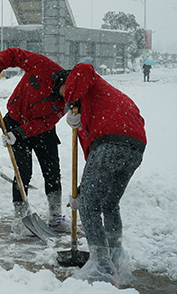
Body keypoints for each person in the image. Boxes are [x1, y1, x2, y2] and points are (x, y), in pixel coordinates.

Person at [61, 62, 145, 287]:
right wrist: (82, 189)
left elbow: (82, 68)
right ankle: (116, 257)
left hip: (110, 143)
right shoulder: (103, 100)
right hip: (135, 146)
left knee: (90, 207)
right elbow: (95, 163)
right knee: (109, 203)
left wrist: (70, 103)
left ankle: (102, 268)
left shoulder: (90, 83)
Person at [0, 48, 68, 233]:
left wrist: (20, 133)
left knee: (52, 170)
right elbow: (15, 55)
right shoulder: (44, 66)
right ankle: (20, 217)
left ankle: (56, 216)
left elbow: (45, 122)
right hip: (15, 120)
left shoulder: (64, 103)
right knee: (22, 172)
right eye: (66, 92)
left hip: (42, 130)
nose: (65, 99)